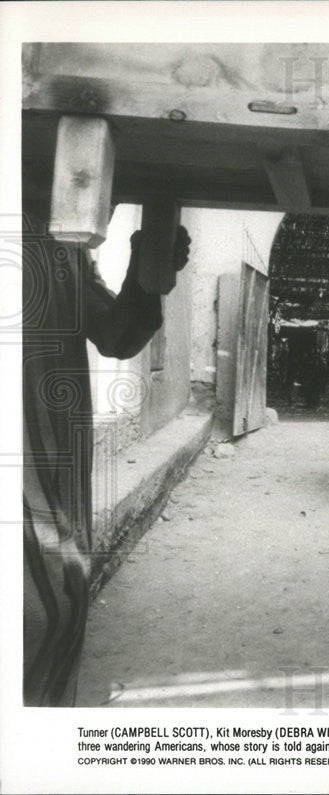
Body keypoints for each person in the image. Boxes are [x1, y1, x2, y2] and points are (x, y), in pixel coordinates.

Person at [23, 211, 191, 706]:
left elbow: (117, 335)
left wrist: (145, 271)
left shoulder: (63, 246)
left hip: (50, 480)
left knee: (54, 617)